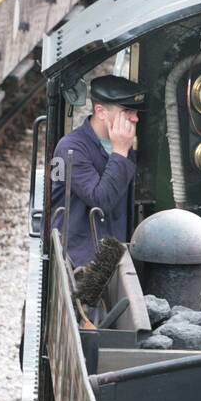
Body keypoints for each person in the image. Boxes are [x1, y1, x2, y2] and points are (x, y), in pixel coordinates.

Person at [50, 74, 146, 267]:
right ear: (101, 112)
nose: (135, 118)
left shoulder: (123, 145)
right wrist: (119, 152)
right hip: (79, 262)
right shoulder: (72, 148)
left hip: (113, 255)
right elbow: (100, 201)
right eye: (127, 110)